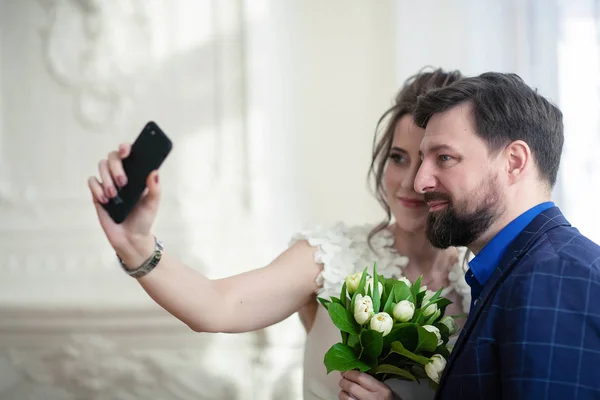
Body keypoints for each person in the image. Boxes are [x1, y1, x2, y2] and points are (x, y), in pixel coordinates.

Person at [87, 67, 471, 400]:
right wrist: (136, 245)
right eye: (397, 157)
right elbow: (217, 305)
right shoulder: (331, 255)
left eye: (429, 160)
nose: (408, 182)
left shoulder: (480, 283)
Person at [411, 72, 600, 399]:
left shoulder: (556, 277)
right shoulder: (521, 269)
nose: (420, 182)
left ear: (514, 161)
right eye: (422, 159)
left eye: (444, 158)